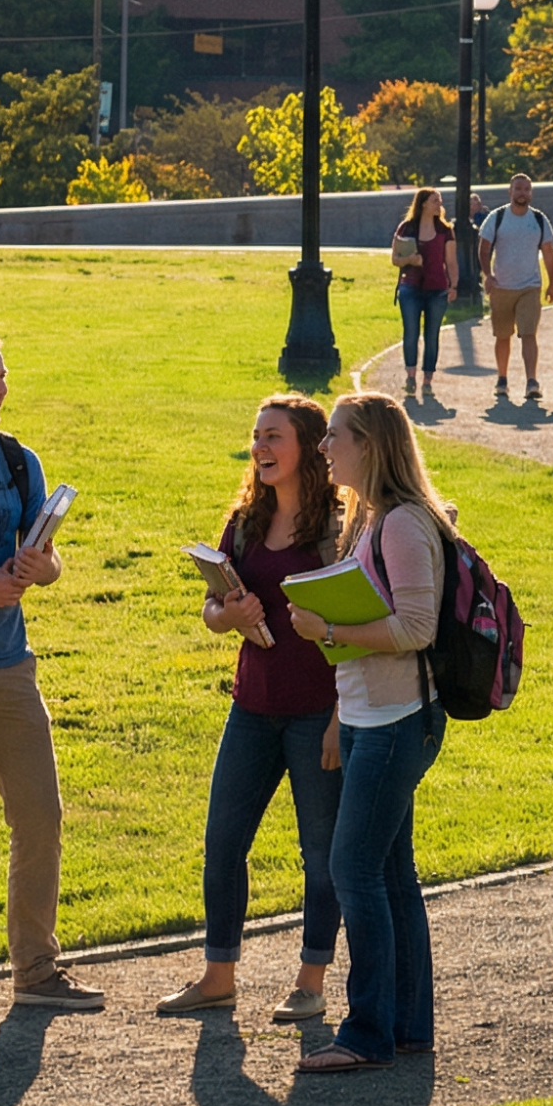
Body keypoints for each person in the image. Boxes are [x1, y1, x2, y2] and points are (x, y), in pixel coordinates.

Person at [157, 395, 344, 1021]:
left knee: (320, 854)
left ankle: (311, 981)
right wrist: (226, 615)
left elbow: (359, 624)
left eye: (275, 437)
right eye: (256, 436)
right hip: (253, 706)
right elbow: (214, 608)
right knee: (223, 842)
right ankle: (218, 975)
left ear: (311, 448)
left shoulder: (338, 530)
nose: (261, 447)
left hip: (321, 710)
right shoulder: (243, 522)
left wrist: (343, 720)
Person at [0, 327, 102, 1019]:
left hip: (10, 666)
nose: (1, 389)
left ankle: (36, 972)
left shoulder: (16, 460)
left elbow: (50, 557)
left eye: (2, 376)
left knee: (40, 817)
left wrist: (43, 566)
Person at [289, 392, 452, 1073]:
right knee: (389, 873)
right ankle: (406, 1027)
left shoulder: (404, 526)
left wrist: (329, 630)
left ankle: (367, 1034)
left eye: (335, 437)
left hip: (396, 721)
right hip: (368, 716)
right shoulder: (372, 519)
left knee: (353, 868)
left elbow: (417, 629)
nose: (324, 448)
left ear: (371, 444)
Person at [478, 173, 553, 401]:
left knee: (529, 333)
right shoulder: (497, 217)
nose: (522, 193)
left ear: (531, 193)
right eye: (518, 189)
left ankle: (532, 381)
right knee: (503, 336)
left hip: (529, 286)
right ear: (510, 192)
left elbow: (549, 253)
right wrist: (488, 275)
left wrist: (551, 283)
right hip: (502, 286)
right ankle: (502, 379)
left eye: (526, 190)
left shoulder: (539, 220)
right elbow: (484, 249)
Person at [393, 189, 458, 399]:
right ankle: (410, 377)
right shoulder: (406, 227)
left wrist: (454, 285)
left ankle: (427, 380)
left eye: (439, 200)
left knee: (432, 335)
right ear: (422, 204)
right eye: (434, 200)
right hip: (410, 287)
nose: (439, 203)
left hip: (437, 289)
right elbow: (395, 258)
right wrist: (410, 261)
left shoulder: (445, 230)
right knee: (411, 332)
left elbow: (451, 261)